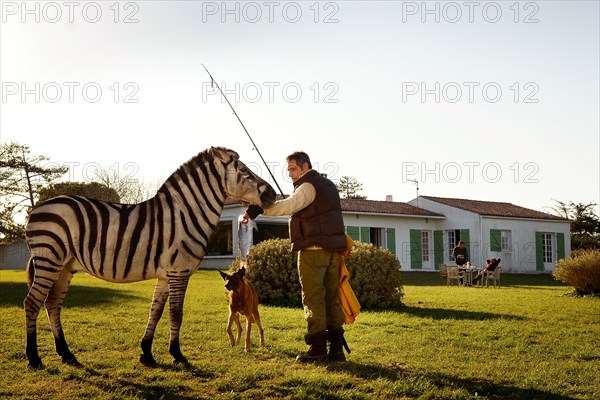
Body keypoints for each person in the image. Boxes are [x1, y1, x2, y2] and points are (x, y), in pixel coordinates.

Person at [242, 151, 348, 363]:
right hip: (331, 252)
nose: (289, 174)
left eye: (293, 169)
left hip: (312, 252)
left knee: (313, 299)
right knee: (330, 300)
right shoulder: (327, 185)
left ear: (304, 166)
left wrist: (257, 210)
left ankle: (317, 350)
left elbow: (289, 205)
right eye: (288, 169)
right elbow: (298, 204)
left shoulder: (308, 186)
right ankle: (336, 350)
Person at [238, 201, 257, 268]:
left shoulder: (250, 211)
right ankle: (243, 264)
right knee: (244, 250)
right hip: (244, 236)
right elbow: (242, 219)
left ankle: (244, 264)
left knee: (247, 249)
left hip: (246, 235)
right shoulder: (241, 215)